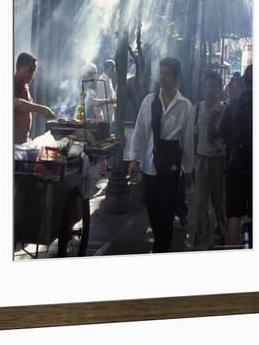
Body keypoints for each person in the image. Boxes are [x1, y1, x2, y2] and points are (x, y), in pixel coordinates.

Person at [129, 57, 194, 253]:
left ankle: (161, 250)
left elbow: (188, 140)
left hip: (171, 167)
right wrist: (134, 159)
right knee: (152, 207)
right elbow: (140, 131)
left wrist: (188, 170)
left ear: (176, 78)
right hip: (149, 165)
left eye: (167, 74)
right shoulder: (149, 102)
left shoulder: (185, 106)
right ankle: (160, 243)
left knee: (166, 212)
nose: (162, 77)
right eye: (161, 73)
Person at [219, 64, 253, 247]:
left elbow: (221, 132)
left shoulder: (233, 107)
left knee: (234, 215)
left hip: (235, 167)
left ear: (244, 82)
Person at [193, 71, 227, 250]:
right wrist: (192, 162)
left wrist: (214, 117)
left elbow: (217, 135)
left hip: (218, 161)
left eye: (213, 86)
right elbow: (194, 136)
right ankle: (201, 240)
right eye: (207, 86)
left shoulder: (223, 109)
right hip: (201, 159)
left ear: (219, 89)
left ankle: (221, 234)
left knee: (218, 202)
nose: (209, 90)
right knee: (200, 203)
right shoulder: (197, 108)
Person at [14, 52, 55, 145]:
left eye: (34, 71)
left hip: (24, 142)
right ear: (20, 67)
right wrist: (42, 109)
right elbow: (17, 103)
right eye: (30, 70)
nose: (32, 74)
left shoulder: (26, 86)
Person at [97, 59, 117, 126]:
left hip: (110, 117)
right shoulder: (103, 81)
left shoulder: (108, 80)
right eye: (114, 69)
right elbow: (100, 101)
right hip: (105, 120)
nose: (114, 71)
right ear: (109, 68)